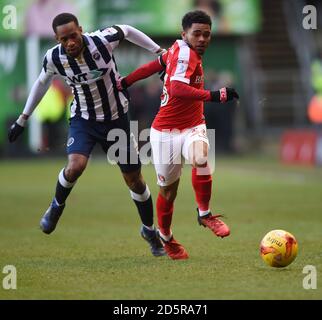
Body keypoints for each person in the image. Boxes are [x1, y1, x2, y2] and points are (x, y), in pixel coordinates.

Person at [8, 13, 166, 257]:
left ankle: (149, 230)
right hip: (84, 119)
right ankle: (56, 206)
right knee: (75, 166)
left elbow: (127, 29)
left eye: (73, 35)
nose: (70, 42)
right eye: (64, 39)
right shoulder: (54, 58)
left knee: (134, 179)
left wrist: (158, 51)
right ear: (57, 39)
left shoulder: (102, 41)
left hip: (116, 119)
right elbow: (42, 83)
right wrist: (23, 118)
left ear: (80, 30)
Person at [117, 10, 239, 259]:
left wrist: (127, 81)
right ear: (185, 34)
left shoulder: (176, 48)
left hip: (193, 125)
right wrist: (215, 95)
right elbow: (176, 88)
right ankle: (165, 236)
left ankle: (204, 214)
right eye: (197, 34)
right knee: (168, 193)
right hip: (165, 133)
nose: (203, 38)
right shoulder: (184, 52)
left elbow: (156, 65)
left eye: (207, 34)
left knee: (201, 156)